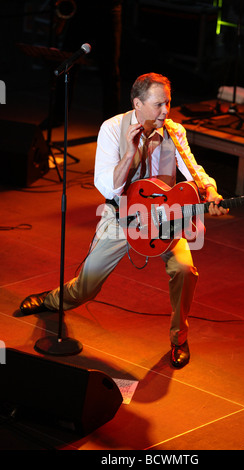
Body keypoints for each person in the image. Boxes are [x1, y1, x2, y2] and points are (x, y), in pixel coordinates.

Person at [20, 73, 228, 368]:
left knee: (185, 269)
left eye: (168, 103)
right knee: (86, 287)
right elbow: (107, 187)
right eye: (158, 105)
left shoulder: (174, 131)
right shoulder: (112, 128)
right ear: (138, 104)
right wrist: (130, 152)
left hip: (162, 218)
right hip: (121, 216)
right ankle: (51, 300)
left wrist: (210, 188)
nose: (165, 111)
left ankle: (179, 338)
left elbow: (193, 169)